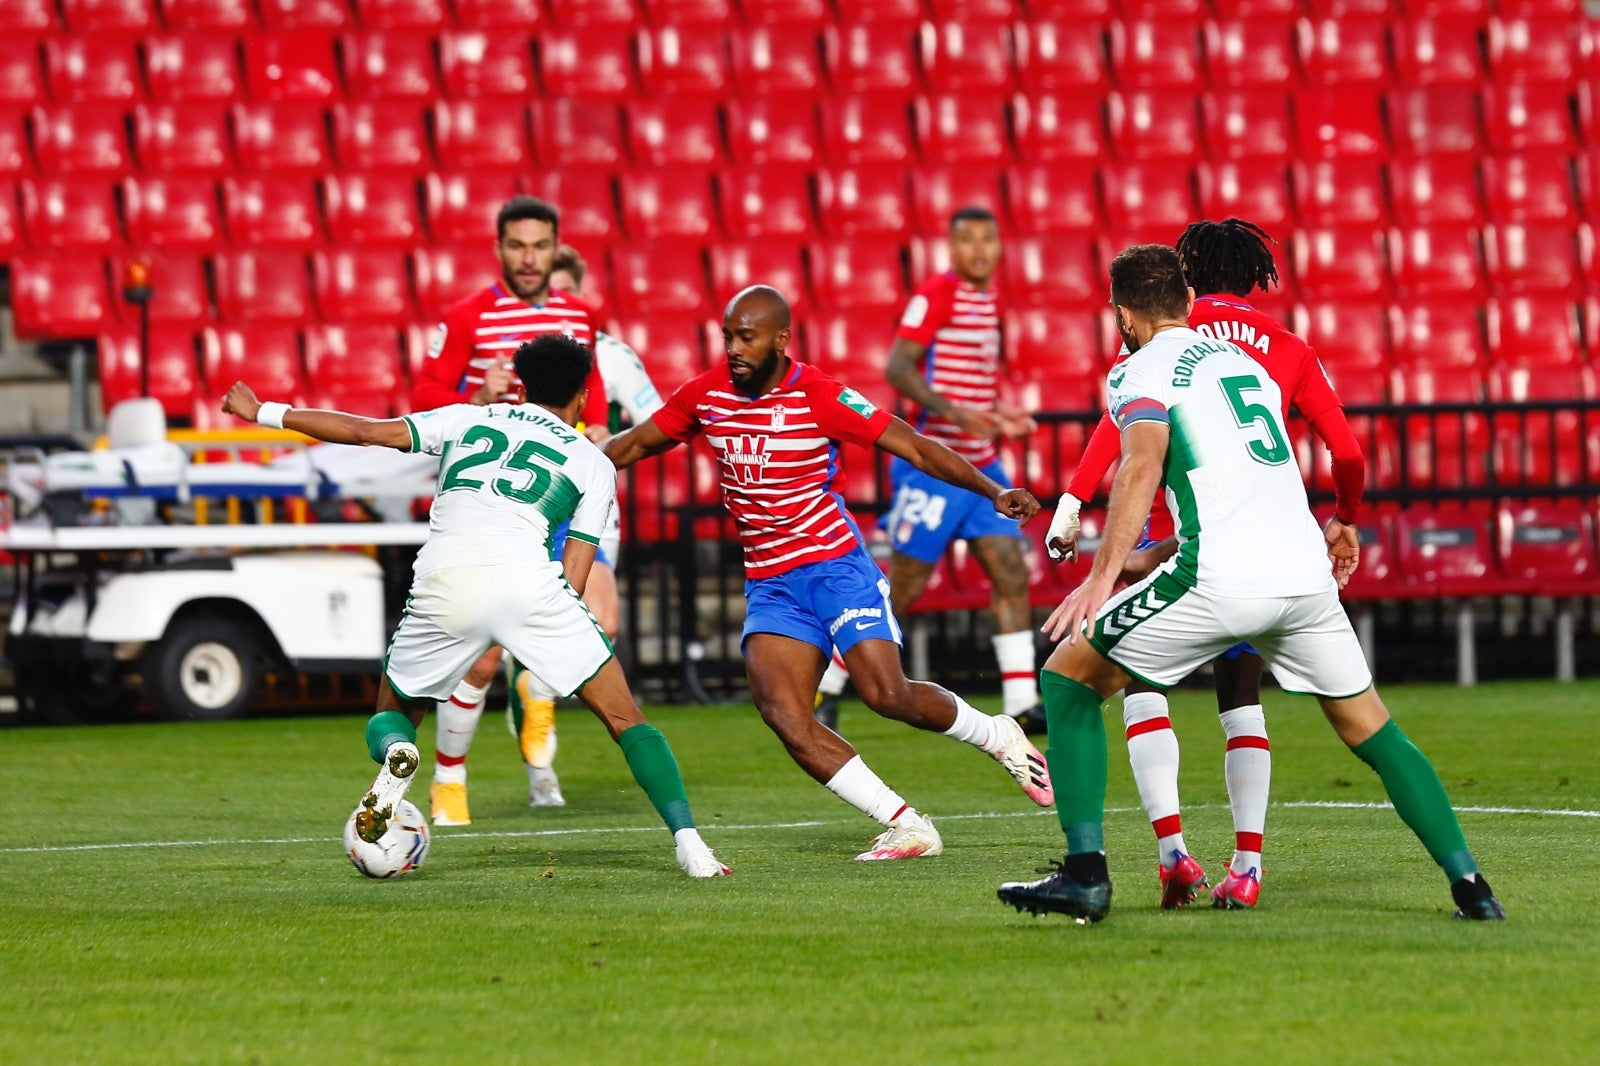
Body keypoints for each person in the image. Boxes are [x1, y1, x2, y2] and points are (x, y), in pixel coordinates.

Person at [997, 245, 1503, 923]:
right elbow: (1248, 493)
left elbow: (1140, 465)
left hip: (1219, 581)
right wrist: (1146, 560)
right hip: (1305, 580)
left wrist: (1103, 574)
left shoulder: (1137, 369)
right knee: (1375, 731)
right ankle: (1472, 887)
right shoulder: (1246, 364)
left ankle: (1086, 875)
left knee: (1066, 679)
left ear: (1123, 315)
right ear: (1187, 301)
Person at [221, 335, 728, 878]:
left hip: (447, 579)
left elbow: (364, 432)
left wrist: (263, 411)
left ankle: (398, 755)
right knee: (627, 718)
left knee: (394, 711)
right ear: (583, 398)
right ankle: (692, 846)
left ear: (522, 389)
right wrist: (540, 634)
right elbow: (575, 574)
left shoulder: (467, 418)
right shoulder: (593, 462)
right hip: (528, 581)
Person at [604, 285, 1054, 861]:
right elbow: (636, 444)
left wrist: (992, 491)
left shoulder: (820, 395)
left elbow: (915, 446)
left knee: (886, 694)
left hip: (834, 566)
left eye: (747, 337)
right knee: (784, 713)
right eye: (728, 337)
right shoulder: (705, 394)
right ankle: (906, 825)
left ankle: (996, 734)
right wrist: (569, 459)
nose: (734, 348)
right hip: (771, 584)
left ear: (780, 339)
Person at [1043, 218, 1369, 910]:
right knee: (1241, 701)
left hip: (1173, 531)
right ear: (1254, 275)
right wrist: (1346, 515)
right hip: (1257, 543)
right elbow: (1347, 450)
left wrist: (1072, 502)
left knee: (1140, 689)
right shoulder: (1284, 345)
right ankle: (1247, 865)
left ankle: (1173, 855)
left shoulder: (1164, 338)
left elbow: (1120, 429)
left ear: (1187, 277)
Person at [411, 196, 607, 825]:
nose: (528, 258)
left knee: (593, 622)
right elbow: (423, 398)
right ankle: (450, 780)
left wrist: (599, 435)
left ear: (556, 249)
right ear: (498, 249)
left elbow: (596, 398)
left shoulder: (580, 314)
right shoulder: (467, 316)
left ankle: (538, 732)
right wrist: (476, 394)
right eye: (517, 246)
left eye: (540, 246)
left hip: (558, 498)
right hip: (491, 504)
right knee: (482, 654)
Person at [813, 206, 1046, 734]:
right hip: (937, 467)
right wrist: (954, 414)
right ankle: (829, 684)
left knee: (1010, 571)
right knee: (906, 589)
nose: (980, 250)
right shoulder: (938, 294)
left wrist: (996, 414)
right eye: (968, 240)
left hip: (981, 464)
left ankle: (1019, 700)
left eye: (988, 239)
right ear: (951, 247)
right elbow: (897, 368)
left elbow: (967, 385)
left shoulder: (987, 300)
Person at [495, 245, 668, 809]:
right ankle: (539, 773)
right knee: (529, 626)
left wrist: (607, 440)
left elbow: (657, 420)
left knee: (604, 621)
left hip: (591, 502)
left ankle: (537, 687)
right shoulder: (520, 359)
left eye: (567, 296)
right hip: (531, 503)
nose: (558, 309)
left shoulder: (611, 356)